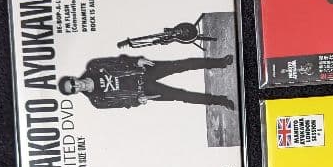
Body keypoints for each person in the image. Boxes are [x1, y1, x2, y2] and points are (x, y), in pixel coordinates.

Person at [58, 53, 236, 109]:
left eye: (72, 82)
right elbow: (123, 103)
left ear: (73, 78)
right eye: (73, 89)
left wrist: (136, 60)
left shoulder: (94, 66)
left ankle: (220, 62)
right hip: (145, 91)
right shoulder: (97, 101)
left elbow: (118, 60)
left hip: (143, 70)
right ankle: (221, 101)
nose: (76, 85)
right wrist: (137, 101)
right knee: (182, 96)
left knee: (182, 65)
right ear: (74, 93)